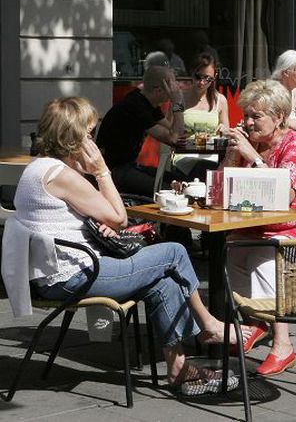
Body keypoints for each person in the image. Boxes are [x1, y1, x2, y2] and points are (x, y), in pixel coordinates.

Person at [11, 97, 238, 394]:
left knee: (163, 282)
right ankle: (209, 324)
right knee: (175, 252)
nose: (93, 140)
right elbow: (119, 217)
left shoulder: (39, 168)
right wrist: (102, 170)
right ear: (73, 137)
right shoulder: (62, 175)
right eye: (89, 133)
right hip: (73, 277)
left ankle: (179, 368)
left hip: (55, 273)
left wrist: (98, 218)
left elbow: (80, 216)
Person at [220, 79, 296, 376]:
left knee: (262, 254)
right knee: (234, 245)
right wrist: (233, 153)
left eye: (256, 116)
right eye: (246, 115)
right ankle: (254, 322)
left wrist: (253, 158)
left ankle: (283, 344)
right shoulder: (251, 143)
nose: (248, 122)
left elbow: (284, 195)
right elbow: (222, 190)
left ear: (279, 116)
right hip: (262, 225)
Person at [96, 66, 186, 197]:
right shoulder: (135, 106)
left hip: (128, 166)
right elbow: (174, 139)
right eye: (171, 85)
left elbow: (176, 132)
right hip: (113, 171)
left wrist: (176, 105)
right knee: (169, 192)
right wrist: (177, 103)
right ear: (158, 89)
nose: (175, 89)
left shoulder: (146, 101)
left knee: (182, 182)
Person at [172, 53, 229, 180]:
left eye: (207, 79)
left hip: (213, 154)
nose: (202, 82)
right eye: (198, 77)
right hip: (186, 155)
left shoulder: (220, 100)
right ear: (192, 73)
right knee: (204, 168)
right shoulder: (180, 99)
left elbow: (226, 131)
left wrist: (223, 130)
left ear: (215, 77)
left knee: (213, 168)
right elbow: (170, 126)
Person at [272, 50, 296, 132]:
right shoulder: (272, 93)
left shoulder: (295, 91)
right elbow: (272, 123)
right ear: (286, 72)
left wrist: (286, 122)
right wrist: (295, 123)